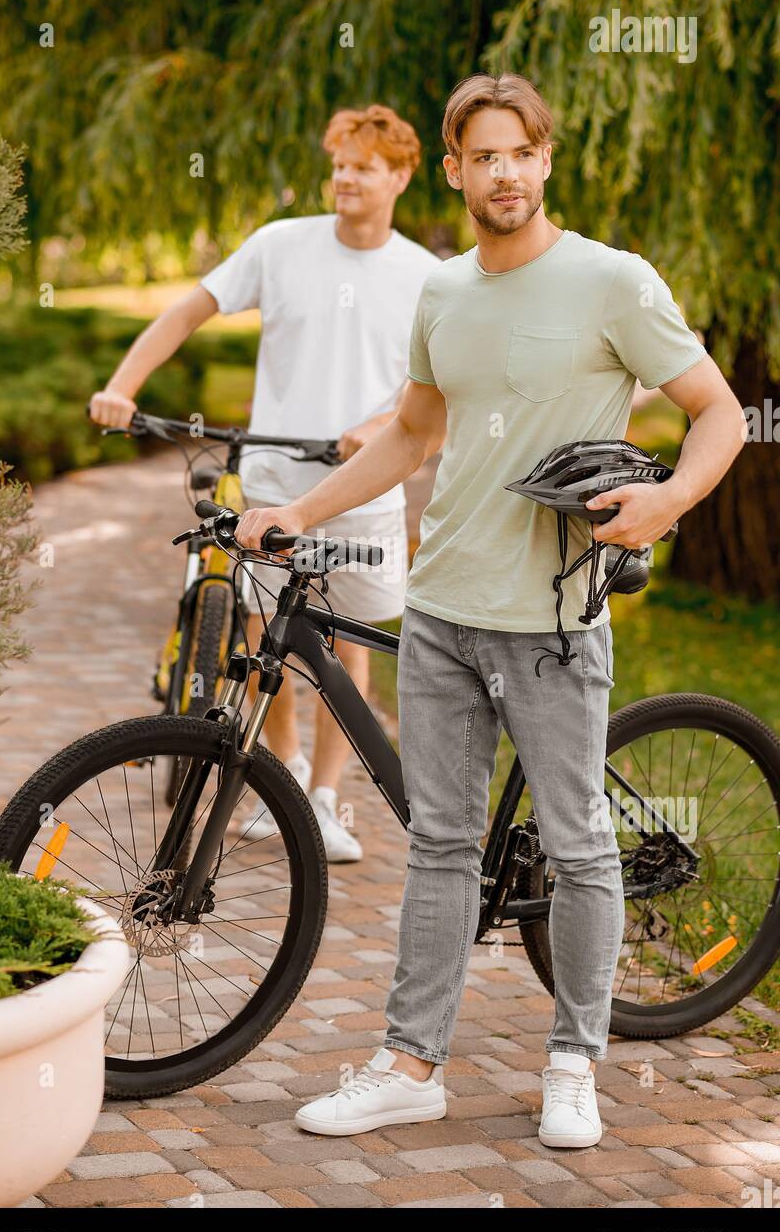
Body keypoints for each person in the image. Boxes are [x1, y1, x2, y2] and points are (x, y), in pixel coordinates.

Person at [233, 72, 747, 1146]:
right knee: (439, 846)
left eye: (524, 152)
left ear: (546, 161)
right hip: (445, 609)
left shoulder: (613, 281)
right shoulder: (447, 293)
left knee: (578, 845)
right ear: (456, 169)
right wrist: (298, 510)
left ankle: (574, 1062)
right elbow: (412, 435)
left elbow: (718, 413)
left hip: (555, 620)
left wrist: (667, 501)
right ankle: (410, 1061)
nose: (505, 172)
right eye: (485, 155)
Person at [89, 104, 440, 862]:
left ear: (401, 176)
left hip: (364, 486)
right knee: (267, 635)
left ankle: (326, 799)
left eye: (364, 167)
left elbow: (442, 387)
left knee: (347, 645)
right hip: (277, 481)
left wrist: (380, 424)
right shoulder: (281, 245)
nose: (346, 177)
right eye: (339, 163)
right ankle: (278, 784)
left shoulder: (427, 276)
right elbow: (189, 310)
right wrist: (122, 385)